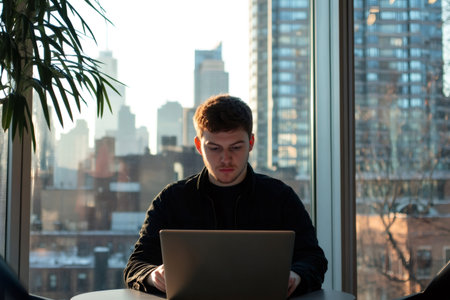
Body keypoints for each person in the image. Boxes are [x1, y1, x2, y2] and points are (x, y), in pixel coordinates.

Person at [124, 94, 327, 297]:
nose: (225, 159)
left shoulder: (281, 197)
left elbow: (313, 258)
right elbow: (135, 265)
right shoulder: (171, 200)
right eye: (214, 148)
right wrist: (152, 275)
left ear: (251, 143)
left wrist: (296, 276)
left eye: (236, 147)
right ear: (198, 146)